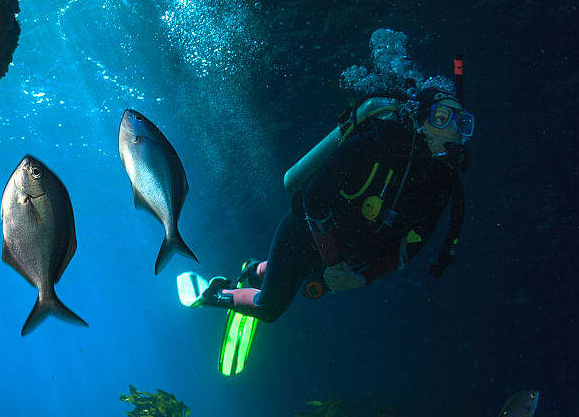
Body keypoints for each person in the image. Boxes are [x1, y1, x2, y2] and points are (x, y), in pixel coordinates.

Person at [189, 77, 474, 322]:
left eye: (462, 124)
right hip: (303, 234)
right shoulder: (376, 143)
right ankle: (214, 294)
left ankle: (257, 269)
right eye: (441, 118)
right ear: (421, 118)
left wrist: (361, 277)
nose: (452, 131)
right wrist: (335, 263)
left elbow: (410, 246)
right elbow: (312, 199)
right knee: (269, 309)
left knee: (296, 274)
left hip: (343, 257)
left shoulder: (440, 184)